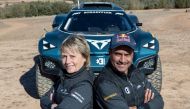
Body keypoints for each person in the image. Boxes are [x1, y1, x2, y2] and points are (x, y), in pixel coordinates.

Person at [94, 34, 164, 109]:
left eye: (127, 55)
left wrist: (139, 108)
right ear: (110, 53)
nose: (122, 60)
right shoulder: (105, 83)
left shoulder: (136, 73)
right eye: (118, 54)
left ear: (132, 55)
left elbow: (159, 101)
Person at [40, 35, 95, 109]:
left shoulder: (85, 84)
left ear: (85, 57)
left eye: (72, 56)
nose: (67, 61)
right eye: (64, 56)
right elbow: (43, 99)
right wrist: (51, 106)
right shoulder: (65, 75)